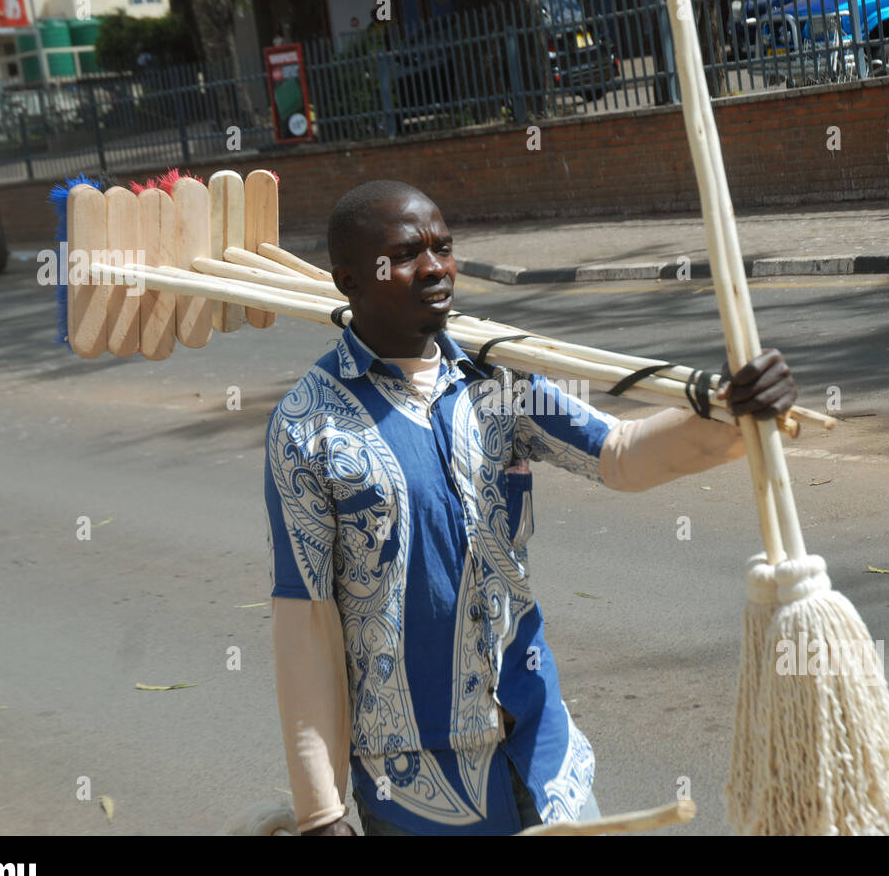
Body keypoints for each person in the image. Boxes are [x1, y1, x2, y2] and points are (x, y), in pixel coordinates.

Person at [267, 180, 797, 836]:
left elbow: (620, 454)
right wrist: (321, 812)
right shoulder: (307, 426)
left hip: (542, 752)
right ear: (349, 279)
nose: (435, 267)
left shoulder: (501, 378)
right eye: (406, 254)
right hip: (415, 786)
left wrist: (729, 411)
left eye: (444, 247)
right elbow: (306, 622)